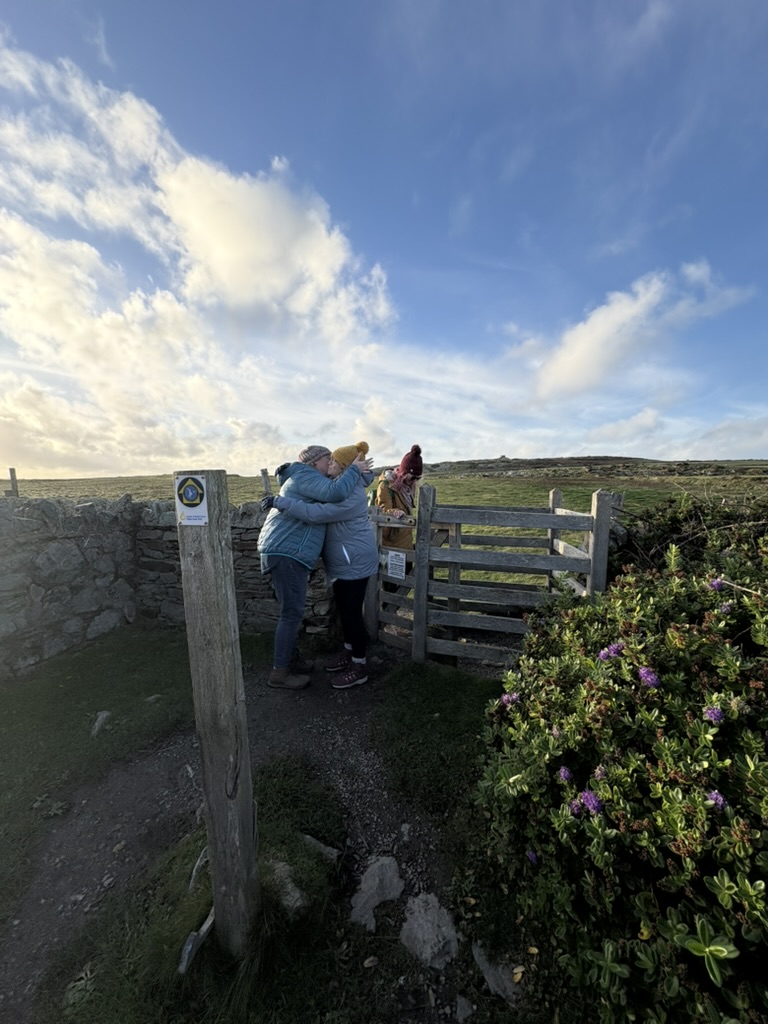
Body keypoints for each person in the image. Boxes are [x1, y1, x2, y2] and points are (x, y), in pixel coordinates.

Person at [263, 441, 378, 689]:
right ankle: (349, 654)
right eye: (329, 459)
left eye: (336, 461)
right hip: (345, 561)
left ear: (346, 468)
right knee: (346, 612)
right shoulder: (340, 486)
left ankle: (359, 666)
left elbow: (318, 513)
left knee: (351, 615)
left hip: (354, 560)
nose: (331, 464)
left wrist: (280, 502)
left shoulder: (352, 492)